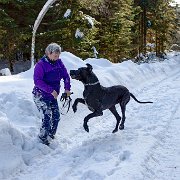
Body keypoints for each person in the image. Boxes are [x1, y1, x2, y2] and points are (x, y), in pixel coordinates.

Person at [32, 43, 71, 145]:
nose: (56, 58)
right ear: (48, 53)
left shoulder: (59, 62)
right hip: (40, 95)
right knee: (47, 117)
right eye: (55, 56)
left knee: (56, 117)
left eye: (58, 56)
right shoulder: (41, 65)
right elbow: (37, 81)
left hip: (52, 95)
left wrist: (67, 89)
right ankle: (43, 139)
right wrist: (51, 90)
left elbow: (66, 76)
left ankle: (51, 136)